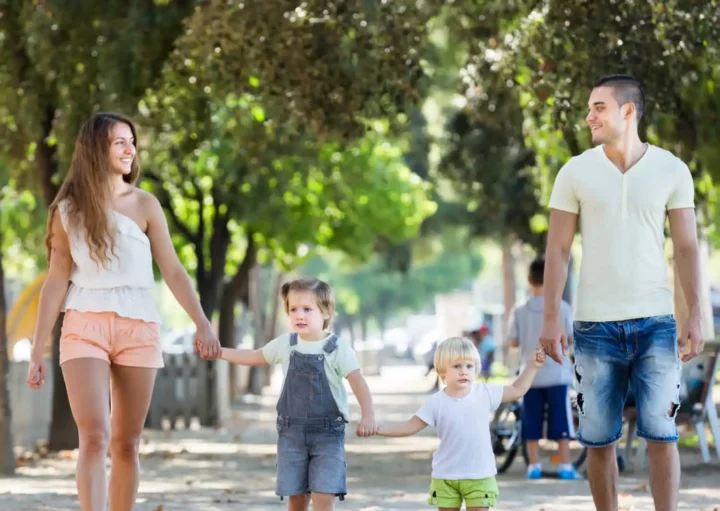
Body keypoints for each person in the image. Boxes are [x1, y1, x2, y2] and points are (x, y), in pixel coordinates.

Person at [25, 112, 221, 511]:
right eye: (119, 142)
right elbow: (56, 280)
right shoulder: (67, 210)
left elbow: (173, 270)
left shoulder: (145, 204)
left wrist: (202, 323)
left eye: (131, 141)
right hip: (84, 324)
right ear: (97, 148)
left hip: (139, 326)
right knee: (94, 436)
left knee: (127, 443)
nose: (130, 149)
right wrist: (36, 349)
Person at [540, 75, 702, 511]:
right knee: (598, 442)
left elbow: (687, 247)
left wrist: (696, 314)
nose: (589, 115)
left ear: (628, 112)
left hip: (657, 324)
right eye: (590, 107)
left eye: (599, 107)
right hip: (593, 327)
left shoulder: (672, 169)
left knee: (662, 436)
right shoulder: (575, 171)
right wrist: (551, 317)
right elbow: (556, 249)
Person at [217, 277, 376, 511]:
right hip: (291, 434)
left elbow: (358, 383)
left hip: (328, 436)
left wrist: (368, 415)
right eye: (293, 309)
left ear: (326, 311)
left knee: (324, 495)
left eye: (307, 309)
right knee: (297, 499)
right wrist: (219, 352)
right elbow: (253, 357)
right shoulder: (286, 344)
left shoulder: (336, 348)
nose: (299, 315)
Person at [370, 336, 545, 511]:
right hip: (445, 476)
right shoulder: (435, 402)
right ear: (441, 371)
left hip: (480, 475)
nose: (464, 371)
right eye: (457, 366)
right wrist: (377, 429)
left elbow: (516, 390)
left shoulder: (484, 393)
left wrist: (532, 366)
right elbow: (409, 427)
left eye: (469, 366)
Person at [508, 257, 582, 480]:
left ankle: (534, 465)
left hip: (530, 376)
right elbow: (569, 338)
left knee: (531, 419)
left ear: (529, 281)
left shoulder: (520, 310)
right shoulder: (563, 308)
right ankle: (565, 466)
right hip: (557, 373)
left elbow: (513, 342)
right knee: (561, 419)